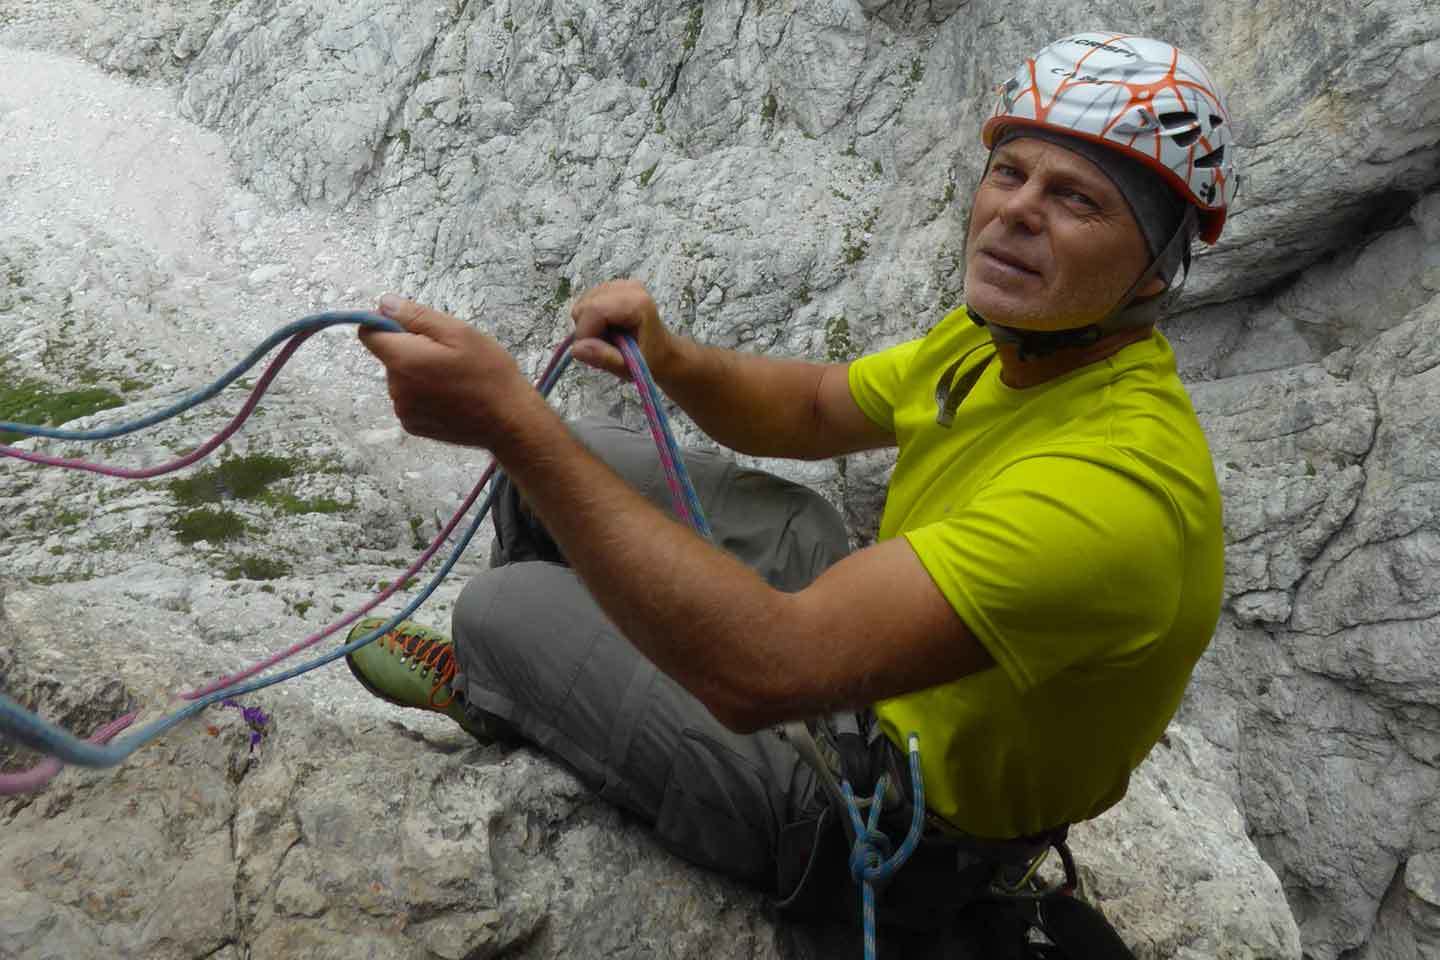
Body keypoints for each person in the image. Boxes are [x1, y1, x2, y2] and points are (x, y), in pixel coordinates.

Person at [346, 31, 1239, 953]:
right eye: (1009, 173)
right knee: (582, 458)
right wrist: (672, 358)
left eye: (1077, 199)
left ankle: (510, 672)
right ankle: (548, 673)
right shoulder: (998, 342)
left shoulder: (1114, 490)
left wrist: (510, 425)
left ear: (1154, 263)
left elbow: (766, 669)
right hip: (887, 691)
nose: (1017, 211)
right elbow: (815, 407)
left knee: (501, 606)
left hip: (877, 822)